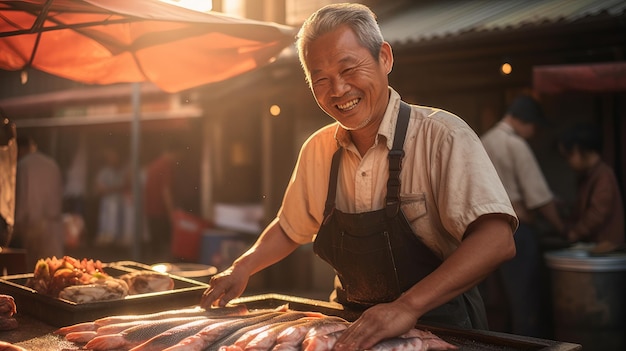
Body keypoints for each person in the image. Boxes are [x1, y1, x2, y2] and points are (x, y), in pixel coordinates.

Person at [201, 3, 517, 349]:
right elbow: (289, 227)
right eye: (320, 79)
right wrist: (242, 267)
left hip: (444, 327)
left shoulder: (442, 135)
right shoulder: (318, 149)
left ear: (384, 58)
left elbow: (496, 240)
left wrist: (406, 307)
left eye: (349, 68)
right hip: (350, 327)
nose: (337, 89)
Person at [480, 95, 564, 337]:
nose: (534, 132)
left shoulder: (484, 141)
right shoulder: (515, 144)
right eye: (534, 126)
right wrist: (561, 228)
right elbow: (539, 197)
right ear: (525, 121)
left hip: (484, 232)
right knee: (524, 301)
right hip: (517, 231)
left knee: (497, 303)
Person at [558, 123, 624, 251]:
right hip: (595, 246)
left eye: (569, 155)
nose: (568, 161)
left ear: (582, 150)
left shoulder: (604, 175)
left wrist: (575, 233)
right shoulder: (587, 176)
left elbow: (598, 212)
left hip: (606, 247)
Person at [13, 135, 64, 269]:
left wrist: (16, 225)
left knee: (34, 271)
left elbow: (22, 197)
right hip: (53, 224)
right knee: (55, 269)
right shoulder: (51, 163)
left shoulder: (22, 165)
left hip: (31, 225)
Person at [142, 139, 184, 263]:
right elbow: (166, 191)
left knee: (155, 244)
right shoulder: (165, 166)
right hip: (160, 211)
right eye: (179, 156)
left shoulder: (154, 164)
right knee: (162, 245)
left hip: (150, 209)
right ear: (175, 153)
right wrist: (171, 213)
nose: (178, 160)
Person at [93, 147, 131, 247]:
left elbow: (126, 185)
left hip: (120, 203)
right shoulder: (104, 172)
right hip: (107, 204)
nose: (112, 159)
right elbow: (100, 188)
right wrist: (115, 188)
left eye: (114, 157)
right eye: (110, 157)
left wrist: (112, 189)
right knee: (107, 228)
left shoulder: (123, 171)